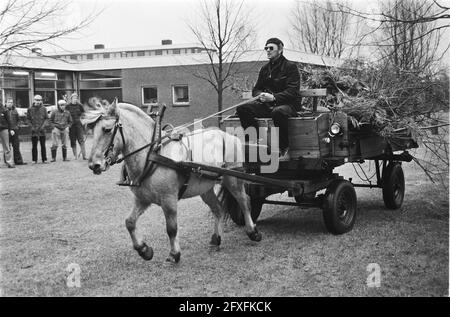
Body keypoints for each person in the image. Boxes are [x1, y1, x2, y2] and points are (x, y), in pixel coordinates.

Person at [236, 37, 301, 160]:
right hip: (267, 105)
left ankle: (284, 149)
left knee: (278, 112)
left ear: (280, 50)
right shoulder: (265, 69)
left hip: (288, 105)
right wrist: (261, 95)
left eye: (271, 48)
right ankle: (255, 143)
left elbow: (292, 91)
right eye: (266, 48)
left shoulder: (290, 67)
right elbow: (256, 89)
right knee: (243, 109)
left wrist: (274, 97)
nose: (268, 50)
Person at [27, 94, 48, 164]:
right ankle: (34, 160)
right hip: (34, 131)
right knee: (34, 146)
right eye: (37, 100)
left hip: (42, 130)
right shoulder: (30, 109)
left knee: (43, 145)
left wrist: (43, 126)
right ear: (34, 100)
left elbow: (46, 119)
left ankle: (44, 159)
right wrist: (32, 127)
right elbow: (28, 120)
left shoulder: (44, 109)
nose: (38, 102)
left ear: (41, 101)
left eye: (39, 100)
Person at [65, 93, 87, 160]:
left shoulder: (80, 105)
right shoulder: (67, 106)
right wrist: (67, 126)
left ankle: (84, 156)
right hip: (71, 126)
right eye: (74, 98)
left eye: (76, 98)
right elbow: (65, 116)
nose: (75, 99)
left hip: (79, 125)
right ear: (71, 99)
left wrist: (83, 120)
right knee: (73, 141)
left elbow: (83, 114)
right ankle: (75, 156)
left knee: (81, 140)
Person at [6, 98, 26, 165]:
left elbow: (19, 120)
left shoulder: (15, 111)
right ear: (6, 103)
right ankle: (7, 161)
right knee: (7, 147)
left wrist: (17, 127)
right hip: (6, 130)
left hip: (15, 130)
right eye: (9, 102)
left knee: (16, 146)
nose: (10, 103)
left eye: (11, 102)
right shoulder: (3, 110)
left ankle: (18, 161)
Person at [0, 102, 14, 168]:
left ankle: (9, 162)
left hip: (4, 129)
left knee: (6, 146)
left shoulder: (4, 110)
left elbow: (9, 120)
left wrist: (11, 129)